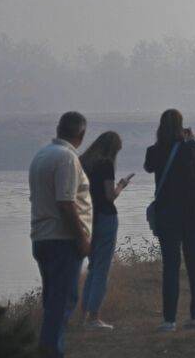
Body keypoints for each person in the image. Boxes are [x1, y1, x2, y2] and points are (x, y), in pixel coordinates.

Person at [29, 111, 92, 358]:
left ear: (58, 128)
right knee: (62, 301)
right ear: (82, 134)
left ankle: (49, 349)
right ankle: (52, 352)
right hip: (62, 239)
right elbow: (66, 203)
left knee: (53, 301)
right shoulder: (67, 158)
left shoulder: (42, 155)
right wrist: (82, 237)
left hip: (42, 236)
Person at [144, 109, 195, 332]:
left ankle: (169, 320)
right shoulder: (190, 148)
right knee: (194, 263)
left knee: (170, 265)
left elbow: (148, 166)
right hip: (194, 215)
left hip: (167, 215)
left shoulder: (154, 151)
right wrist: (190, 140)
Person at [79, 131, 131, 330]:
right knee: (102, 268)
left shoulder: (84, 163)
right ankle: (94, 317)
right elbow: (109, 196)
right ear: (113, 150)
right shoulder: (106, 165)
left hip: (89, 218)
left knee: (92, 267)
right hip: (106, 218)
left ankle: (83, 316)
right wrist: (121, 186)